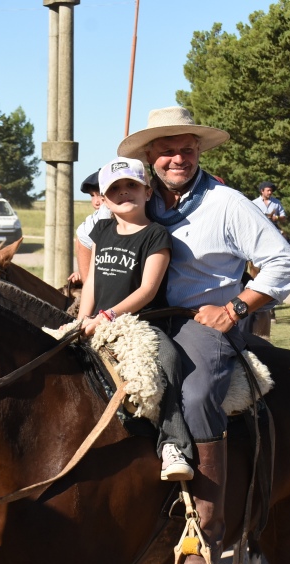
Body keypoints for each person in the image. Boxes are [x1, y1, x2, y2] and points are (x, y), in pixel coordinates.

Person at [117, 106, 290, 564]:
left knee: (196, 394)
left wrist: (236, 309)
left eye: (187, 149)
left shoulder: (227, 203)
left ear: (198, 151)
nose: (177, 157)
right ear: (150, 155)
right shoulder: (137, 197)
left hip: (205, 318)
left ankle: (206, 531)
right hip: (139, 317)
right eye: (166, 149)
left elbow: (282, 262)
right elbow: (101, 239)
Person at [76, 157, 194, 483]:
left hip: (138, 324)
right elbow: (92, 282)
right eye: (115, 188)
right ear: (104, 197)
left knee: (168, 359)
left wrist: (108, 316)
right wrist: (82, 319)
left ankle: (174, 444)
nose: (124, 192)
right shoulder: (101, 230)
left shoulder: (156, 235)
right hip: (97, 322)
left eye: (131, 185)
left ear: (147, 190)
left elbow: (147, 289)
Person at [69, 169, 109, 284]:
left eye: (101, 195)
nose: (96, 201)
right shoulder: (88, 226)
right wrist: (81, 272)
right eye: (92, 196)